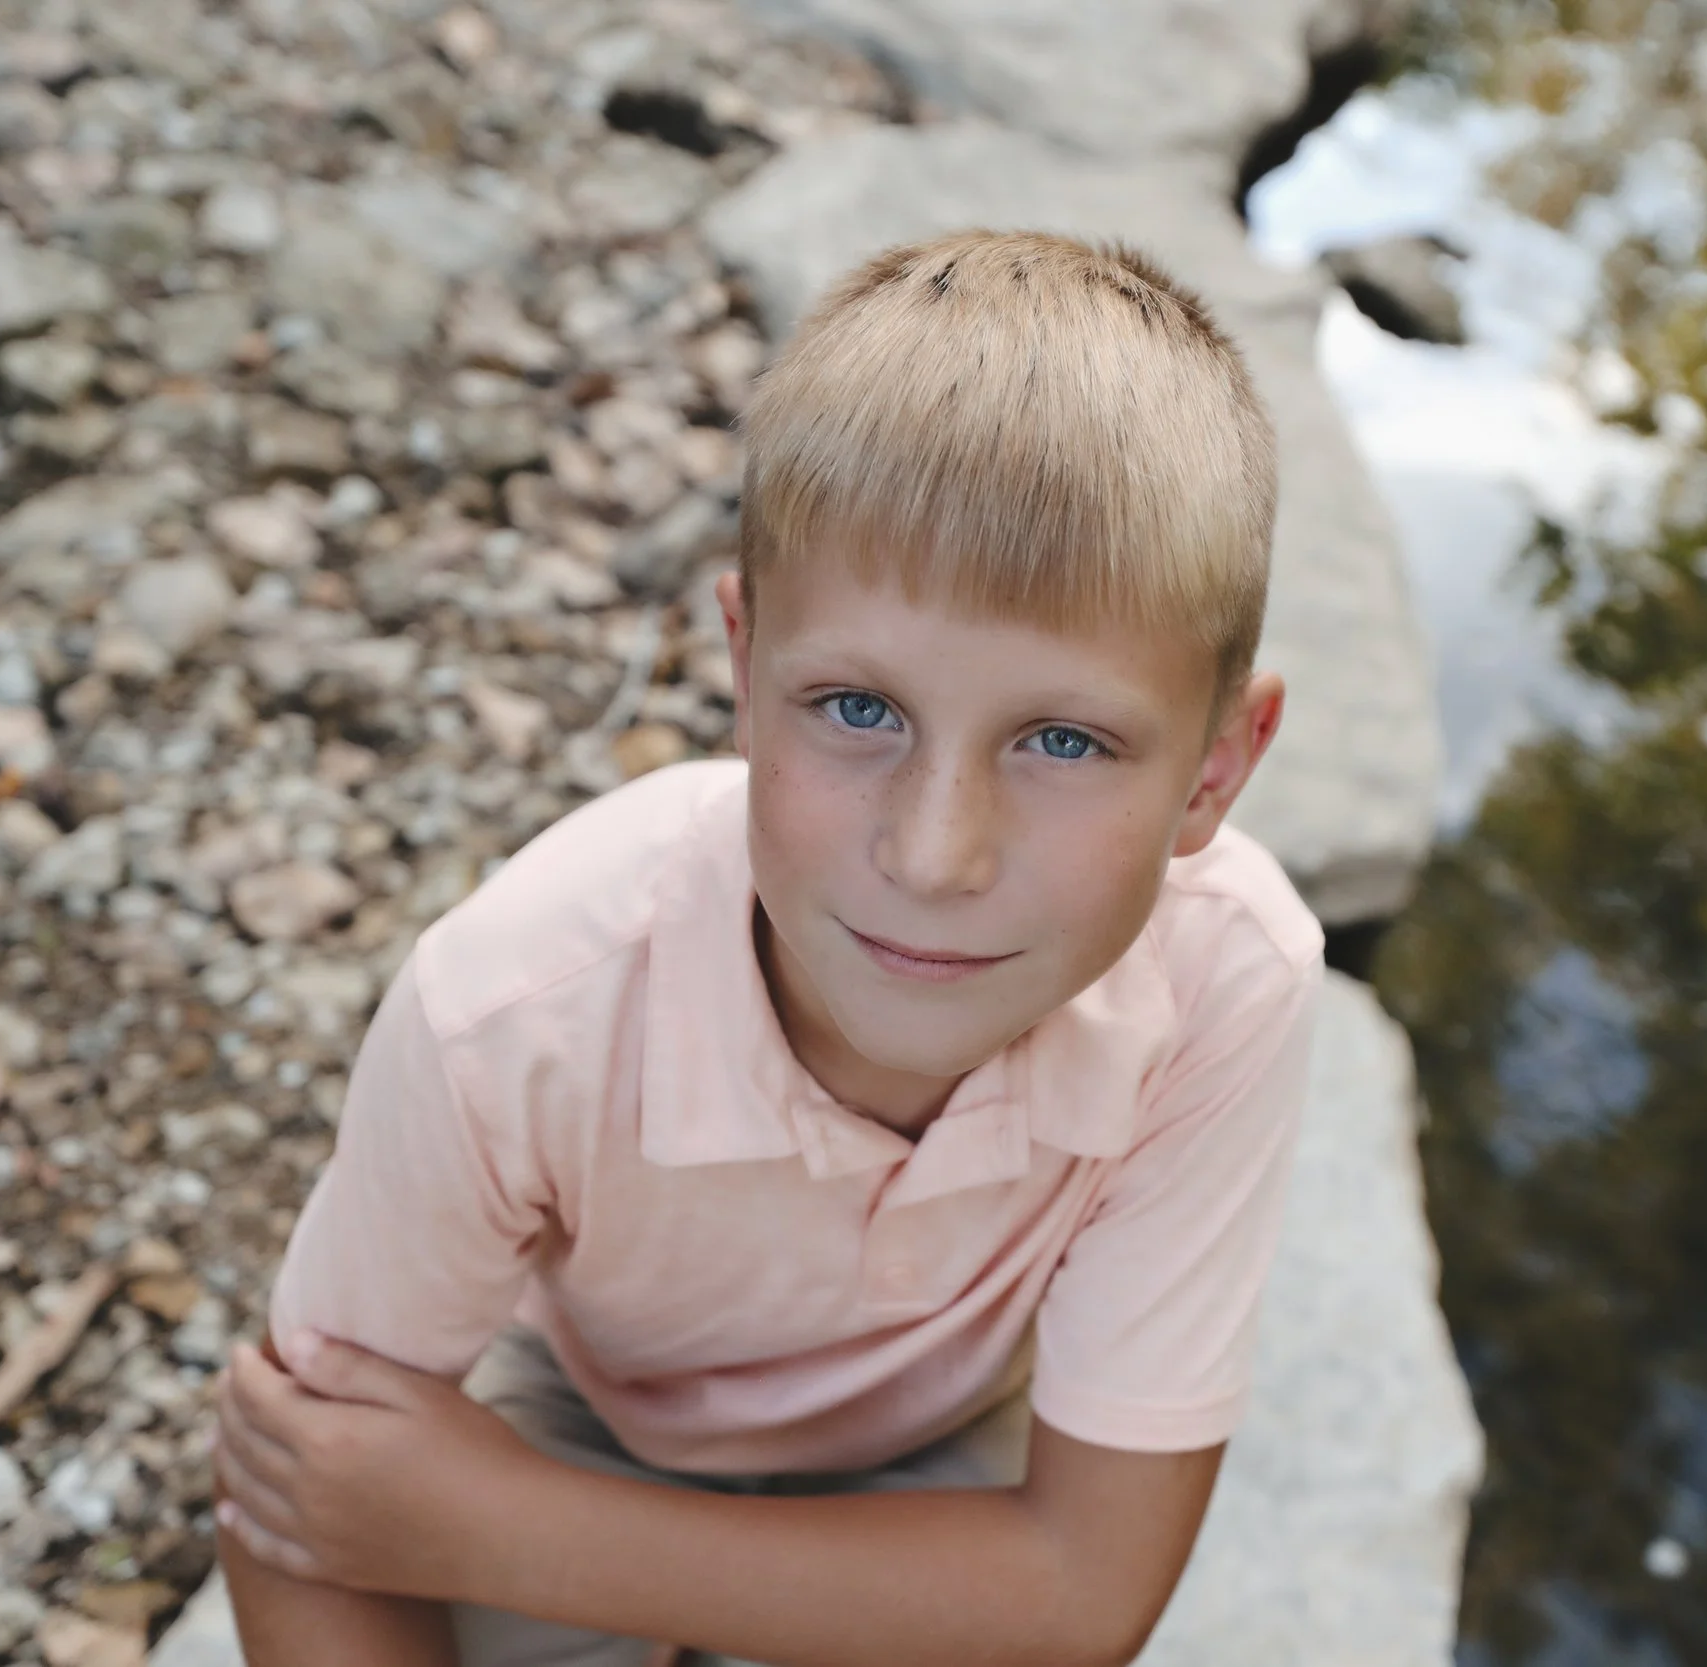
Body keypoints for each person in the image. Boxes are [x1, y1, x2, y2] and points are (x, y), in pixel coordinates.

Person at [210, 228, 1325, 1667]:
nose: (935, 855)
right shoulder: (516, 1008)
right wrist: (444, 1510)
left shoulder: (1224, 980)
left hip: (938, 1440)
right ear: (742, 671)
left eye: (1064, 739)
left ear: (1218, 771)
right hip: (585, 1404)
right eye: (858, 709)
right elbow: (307, 1499)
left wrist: (492, 1524)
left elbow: (1080, 1590)